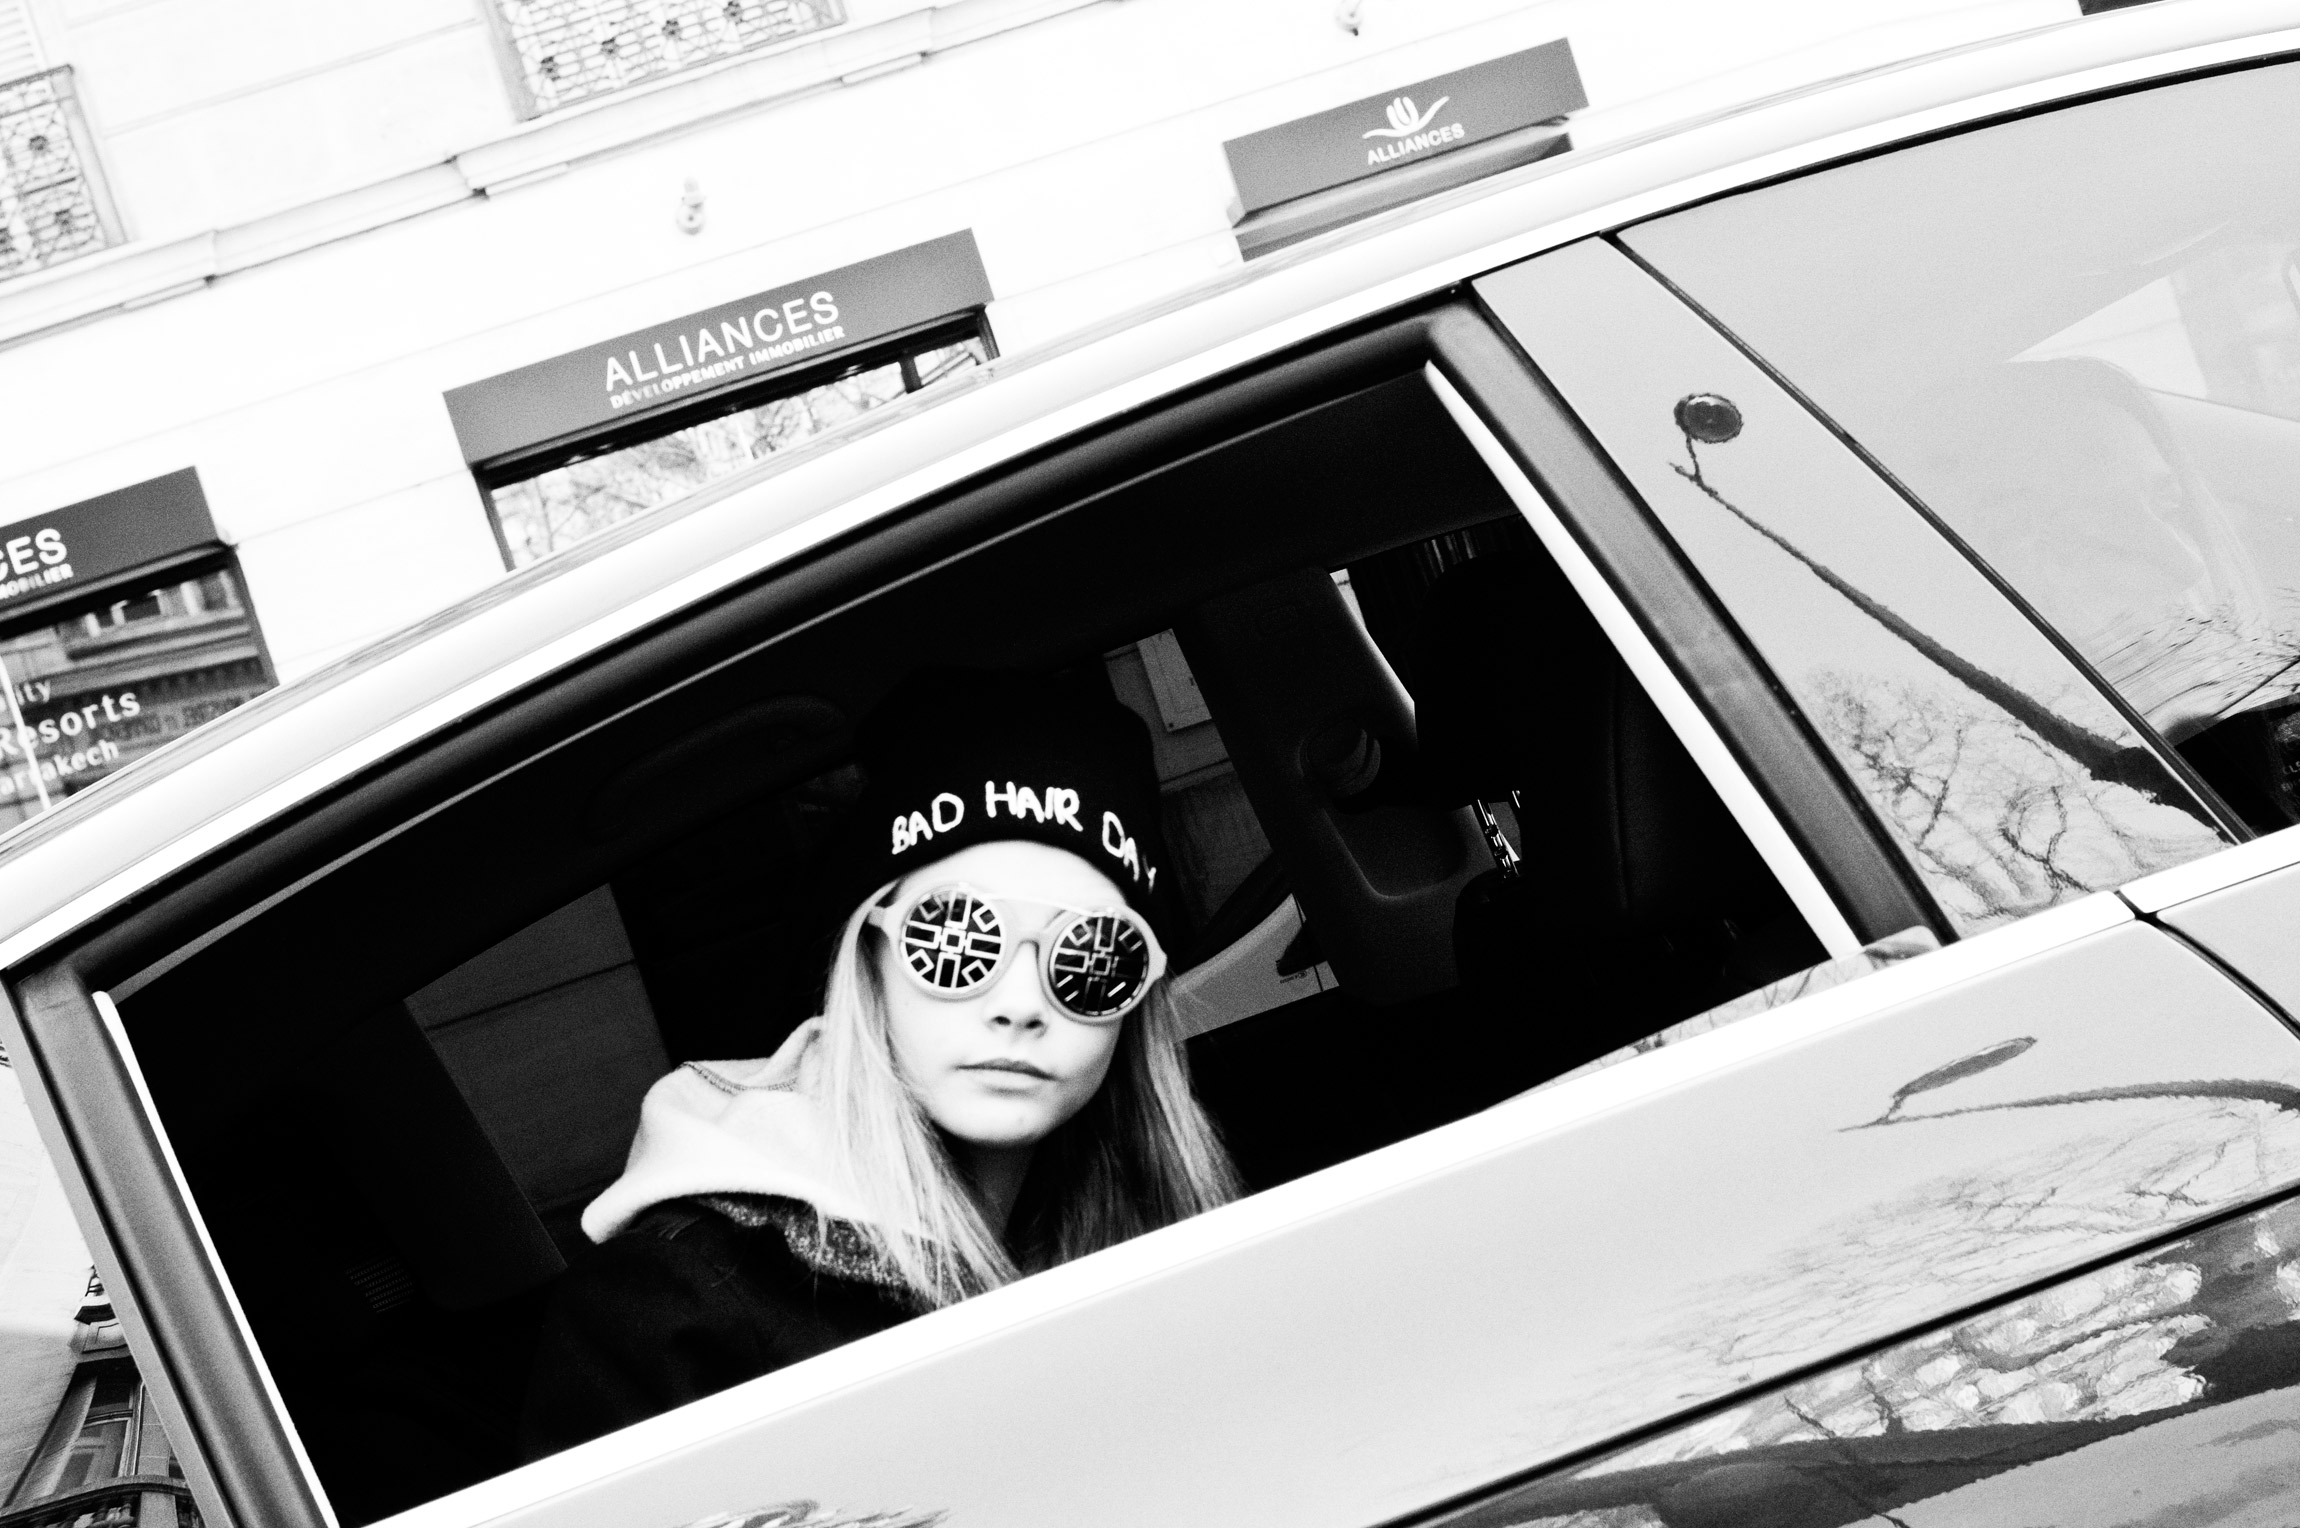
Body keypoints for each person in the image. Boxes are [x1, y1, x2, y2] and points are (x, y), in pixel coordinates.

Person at [518, 669, 1241, 1458]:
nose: (1021, 1003)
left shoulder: (1188, 1236)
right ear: (869, 962)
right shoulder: (672, 1307)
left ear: (1138, 999)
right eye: (959, 937)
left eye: (1091, 956)